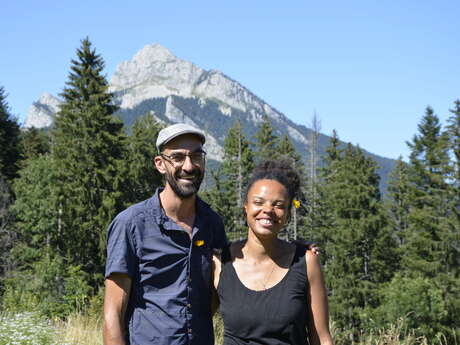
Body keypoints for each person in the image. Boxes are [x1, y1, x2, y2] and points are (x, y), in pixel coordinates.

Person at [103, 123, 227, 345]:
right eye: (177, 157)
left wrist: (298, 252)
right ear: (160, 164)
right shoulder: (131, 224)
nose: (189, 166)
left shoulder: (212, 224)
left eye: (196, 156)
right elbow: (113, 312)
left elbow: (217, 294)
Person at [212, 160, 334, 345]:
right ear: (246, 206)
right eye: (258, 202)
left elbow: (322, 339)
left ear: (287, 212)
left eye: (278, 205)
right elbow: (195, 323)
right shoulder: (221, 263)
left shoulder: (306, 262)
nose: (268, 210)